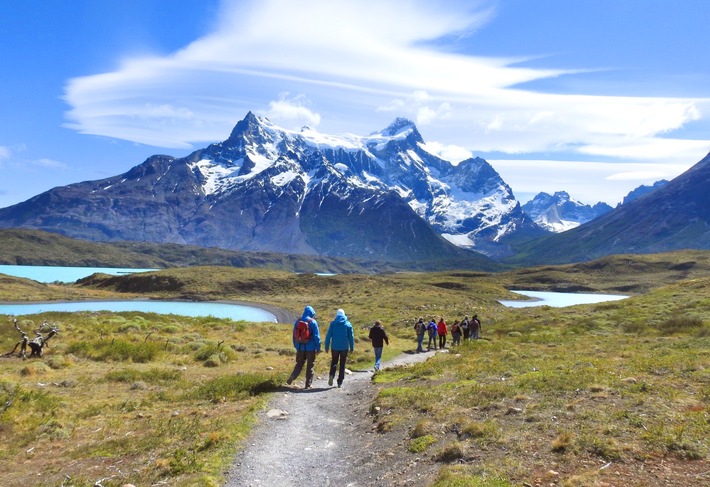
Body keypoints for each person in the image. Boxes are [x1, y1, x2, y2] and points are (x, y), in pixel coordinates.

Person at [286, 305, 321, 389]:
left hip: (300, 347)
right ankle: (307, 385)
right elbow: (317, 337)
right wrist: (318, 348)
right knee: (310, 366)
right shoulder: (313, 322)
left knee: (299, 364)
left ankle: (292, 377)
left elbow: (294, 335)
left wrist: (296, 345)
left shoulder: (298, 321)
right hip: (311, 348)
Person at [325, 308, 355, 388]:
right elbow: (351, 337)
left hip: (334, 347)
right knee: (342, 364)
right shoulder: (348, 324)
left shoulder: (333, 324)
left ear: (337, 315)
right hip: (344, 347)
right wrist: (352, 347)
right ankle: (340, 382)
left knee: (334, 362)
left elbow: (328, 336)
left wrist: (326, 346)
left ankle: (331, 375)